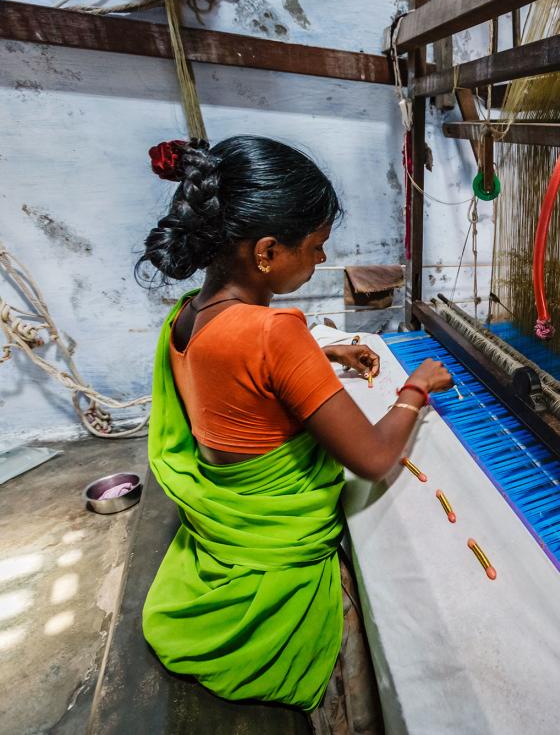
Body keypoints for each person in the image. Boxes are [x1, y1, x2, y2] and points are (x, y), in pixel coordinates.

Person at [136, 135, 452, 732]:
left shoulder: (187, 313)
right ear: (266, 252)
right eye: (314, 248)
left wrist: (322, 353)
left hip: (227, 516)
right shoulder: (275, 333)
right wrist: (418, 387)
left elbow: (229, 377)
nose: (316, 262)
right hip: (277, 541)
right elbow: (375, 458)